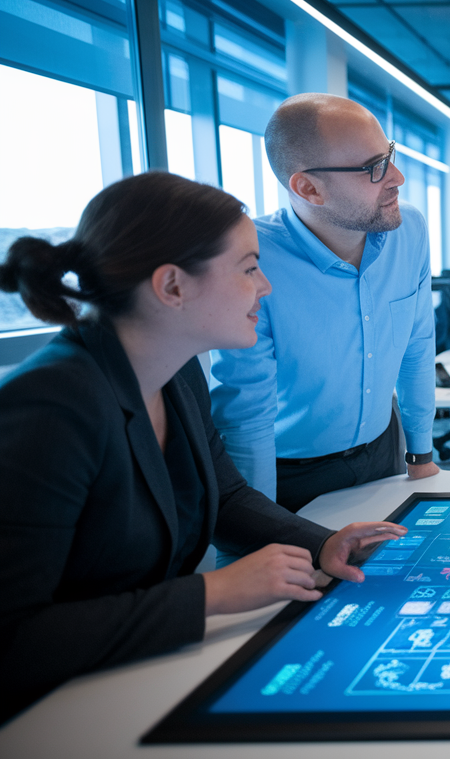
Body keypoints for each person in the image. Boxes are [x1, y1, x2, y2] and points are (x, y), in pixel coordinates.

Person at [0, 173, 407, 721]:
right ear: (172, 287)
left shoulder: (176, 370)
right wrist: (214, 593)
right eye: (247, 268)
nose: (265, 286)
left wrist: (323, 544)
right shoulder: (50, 408)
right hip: (47, 716)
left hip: (128, 680)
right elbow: (14, 638)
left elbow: (226, 495)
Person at [210, 94, 439, 514]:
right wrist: (259, 532)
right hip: (290, 474)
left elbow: (417, 344)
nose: (398, 177)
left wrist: (420, 454)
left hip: (385, 452)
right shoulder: (253, 260)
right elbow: (247, 416)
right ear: (309, 188)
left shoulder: (411, 231)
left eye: (389, 155)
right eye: (374, 168)